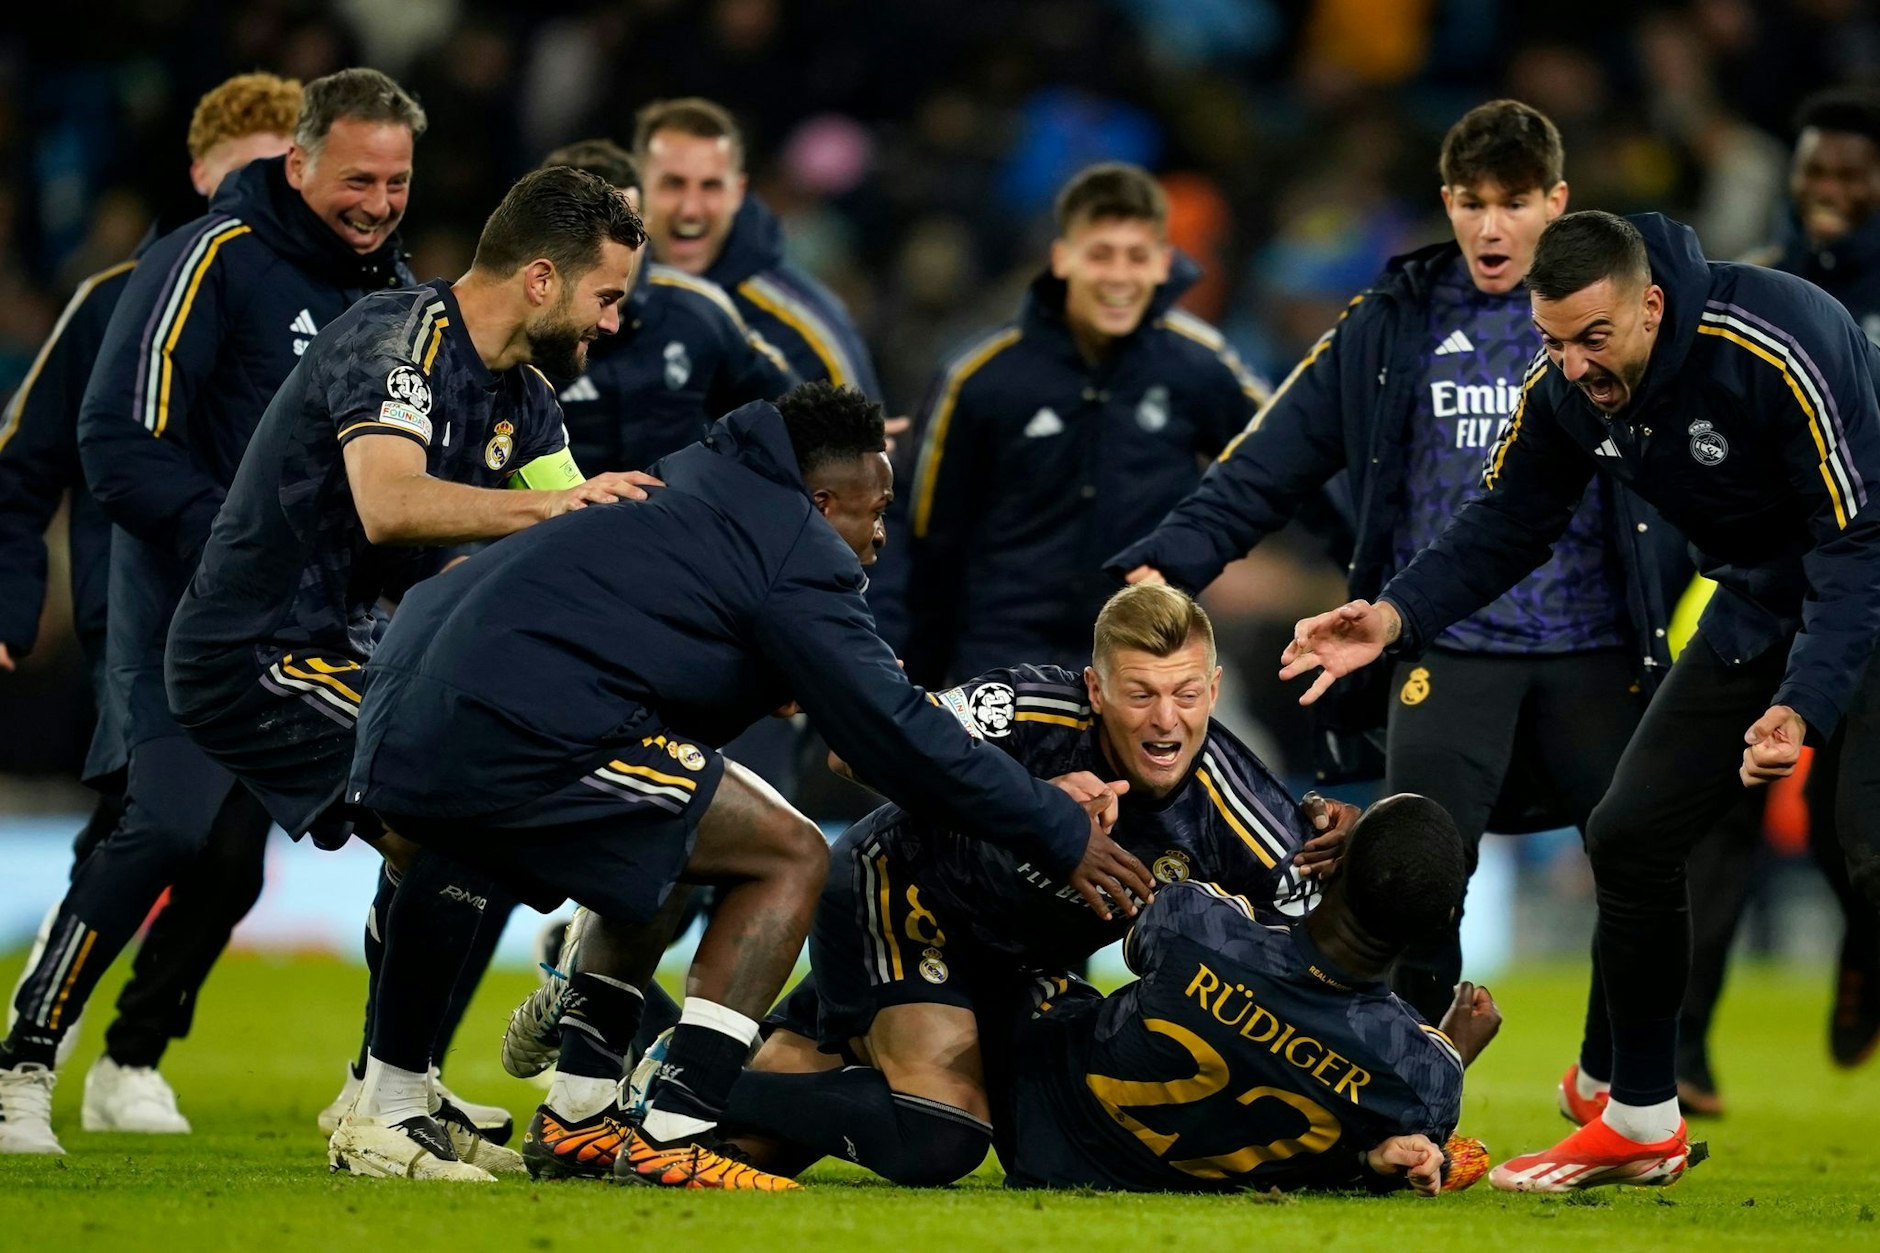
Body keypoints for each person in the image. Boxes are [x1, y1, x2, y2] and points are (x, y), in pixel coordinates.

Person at [346, 381, 1147, 1190]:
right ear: (824, 500)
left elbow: (652, 635)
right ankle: (675, 1127)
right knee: (790, 851)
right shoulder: (796, 548)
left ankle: (578, 1115)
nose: (879, 533)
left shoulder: (704, 480)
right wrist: (1054, 823)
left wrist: (768, 674)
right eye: (873, 510)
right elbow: (899, 734)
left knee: (677, 829)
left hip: (413, 691)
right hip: (507, 716)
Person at [1279, 209, 1880, 1192]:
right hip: (1758, 600)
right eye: (1552, 341)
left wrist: (1802, 706)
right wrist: (1390, 618)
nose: (1572, 365)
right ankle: (1640, 1117)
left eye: (1592, 339)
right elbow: (1505, 520)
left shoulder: (1779, 337)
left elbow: (1854, 551)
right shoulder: (1563, 388)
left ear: (1649, 303)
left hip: (1866, 586)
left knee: (1869, 855)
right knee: (1631, 830)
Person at [1107, 101, 1674, 1033]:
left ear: (1559, 201)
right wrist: (1175, 558)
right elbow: (1273, 456)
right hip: (1442, 640)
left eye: (1517, 201)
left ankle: (1621, 1088)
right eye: (1471, 201)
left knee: (1638, 865)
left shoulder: (1615, 314)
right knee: (1418, 879)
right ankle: (1406, 1095)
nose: (1492, 227)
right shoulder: (1393, 323)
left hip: (1596, 640)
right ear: (1445, 202)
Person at [159, 164, 656, 1181]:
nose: (611, 323)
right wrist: (555, 509)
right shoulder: (397, 340)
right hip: (258, 649)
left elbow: (572, 540)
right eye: (605, 297)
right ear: (540, 279)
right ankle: (384, 1103)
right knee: (460, 809)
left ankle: (391, 1084)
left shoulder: (529, 399)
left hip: (366, 661)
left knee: (472, 815)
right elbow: (390, 501)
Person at [0, 68, 426, 1157]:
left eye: (396, 181)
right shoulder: (201, 261)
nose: (378, 202)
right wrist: (244, 550)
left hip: (322, 629)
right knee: (168, 825)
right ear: (298, 163)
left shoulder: (397, 300)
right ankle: (23, 1062)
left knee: (424, 828)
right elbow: (113, 445)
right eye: (356, 178)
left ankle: (389, 1098)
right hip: (183, 616)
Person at [634, 582, 1354, 1189]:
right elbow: (857, 750)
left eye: (1187, 693)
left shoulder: (1240, 811)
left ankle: (638, 1033)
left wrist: (1359, 853)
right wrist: (1029, 806)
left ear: (1215, 689)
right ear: (1096, 688)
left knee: (753, 1151)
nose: (1167, 719)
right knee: (940, 1135)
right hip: (898, 894)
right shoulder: (1027, 708)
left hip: (1004, 967)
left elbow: (1322, 965)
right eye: (1140, 693)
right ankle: (678, 1070)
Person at [0, 71, 300, 1135]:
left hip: (277, 627)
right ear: (199, 172)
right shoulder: (121, 295)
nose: (258, 199)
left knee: (230, 860)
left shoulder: (315, 302)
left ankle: (125, 1048)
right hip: (140, 612)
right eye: (245, 173)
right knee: (167, 829)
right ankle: (52, 1043)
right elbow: (23, 464)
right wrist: (14, 596)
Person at [1680, 87, 1880, 1107]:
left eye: (1853, 173)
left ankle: (1862, 947)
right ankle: (1683, 1050)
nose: (1831, 191)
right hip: (1760, 585)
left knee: (1856, 828)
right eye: (1816, 171)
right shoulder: (1747, 285)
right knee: (1714, 807)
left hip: (1867, 592)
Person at [1003, 797, 1504, 1196]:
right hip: (1164, 1180)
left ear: (1335, 861)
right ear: (1440, 925)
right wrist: (1449, 1052)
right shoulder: (1427, 1075)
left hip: (1028, 1113)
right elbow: (1401, 1115)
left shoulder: (1199, 924)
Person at [902, 162, 1266, 686]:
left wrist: (1206, 549)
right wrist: (917, 686)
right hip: (1002, 655)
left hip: (1150, 653)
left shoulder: (1199, 364)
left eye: (1136, 257)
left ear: (1164, 264)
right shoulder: (978, 378)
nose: (1118, 275)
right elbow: (928, 541)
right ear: (1061, 258)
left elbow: (1285, 458)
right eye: (1100, 255)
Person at [538, 138, 796, 471]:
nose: (612, 248)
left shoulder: (699, 313)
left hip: (689, 519)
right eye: (587, 230)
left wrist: (848, 436)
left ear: (646, 224)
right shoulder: (519, 341)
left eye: (626, 225)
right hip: (562, 520)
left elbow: (788, 409)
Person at [632, 98, 878, 399]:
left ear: (737, 193)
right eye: (673, 184)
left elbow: (862, 440)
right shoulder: (583, 305)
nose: (691, 209)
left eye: (711, 186)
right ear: (637, 189)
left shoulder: (806, 335)